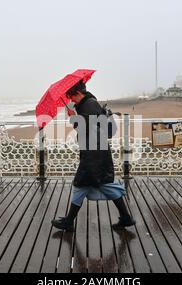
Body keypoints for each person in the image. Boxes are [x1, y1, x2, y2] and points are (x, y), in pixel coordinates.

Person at [51, 81, 136, 232]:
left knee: (82, 184)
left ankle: (69, 222)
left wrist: (73, 117)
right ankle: (125, 217)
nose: (71, 101)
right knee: (101, 183)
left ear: (78, 93)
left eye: (71, 97)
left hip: (95, 153)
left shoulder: (89, 105)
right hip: (95, 152)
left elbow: (85, 129)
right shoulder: (88, 104)